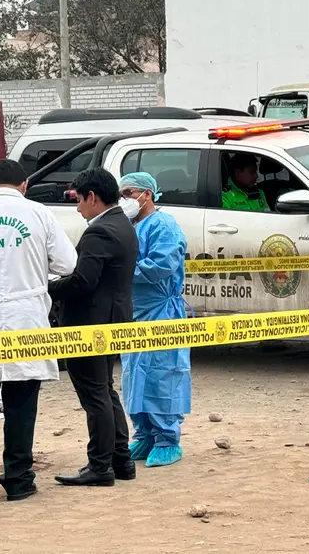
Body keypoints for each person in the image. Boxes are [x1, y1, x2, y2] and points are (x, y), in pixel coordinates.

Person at [0, 160, 77, 502]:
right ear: (25, 185)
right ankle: (18, 479)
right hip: (26, 319)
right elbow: (68, 264)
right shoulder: (40, 214)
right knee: (21, 405)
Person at [49, 167, 139, 486]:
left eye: (78, 200)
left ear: (92, 197)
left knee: (95, 394)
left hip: (90, 323)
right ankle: (120, 459)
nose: (77, 208)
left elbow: (83, 281)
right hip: (113, 319)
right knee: (105, 390)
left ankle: (100, 466)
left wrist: (49, 287)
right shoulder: (123, 225)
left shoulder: (99, 232)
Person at [117, 173, 191, 468]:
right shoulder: (129, 226)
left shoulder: (164, 226)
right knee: (134, 376)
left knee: (162, 375)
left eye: (129, 192)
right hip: (134, 313)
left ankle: (167, 439)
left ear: (146, 194)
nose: (124, 199)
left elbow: (161, 266)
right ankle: (145, 433)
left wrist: (122, 270)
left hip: (161, 311)